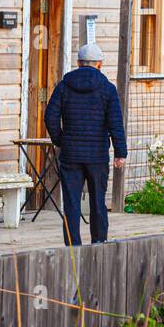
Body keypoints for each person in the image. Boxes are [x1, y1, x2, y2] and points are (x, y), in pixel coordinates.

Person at [44, 43, 126, 247]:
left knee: (71, 202)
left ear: (79, 63)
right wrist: (120, 152)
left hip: (70, 154)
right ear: (99, 64)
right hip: (97, 156)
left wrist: (60, 139)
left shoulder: (64, 86)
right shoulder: (107, 89)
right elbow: (115, 122)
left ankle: (73, 245)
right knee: (98, 200)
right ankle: (98, 241)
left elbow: (50, 116)